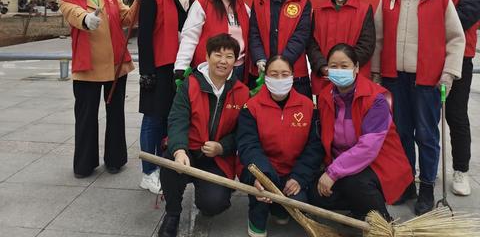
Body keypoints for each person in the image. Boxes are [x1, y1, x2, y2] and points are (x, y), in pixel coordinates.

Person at [371, 0, 465, 215]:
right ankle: (405, 183)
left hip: (427, 79)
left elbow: (456, 39)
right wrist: (376, 72)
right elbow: (378, 38)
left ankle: (426, 188)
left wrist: (449, 72)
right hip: (394, 78)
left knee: (426, 134)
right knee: (400, 133)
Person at [158, 34, 250, 237]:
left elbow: (243, 133)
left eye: (229, 56)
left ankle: (207, 195)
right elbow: (177, 120)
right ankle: (172, 214)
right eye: (218, 55)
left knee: (214, 204)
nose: (223, 61)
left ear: (236, 61)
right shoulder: (189, 85)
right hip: (189, 149)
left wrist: (222, 146)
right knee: (170, 165)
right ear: (207, 56)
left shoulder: (242, 92)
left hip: (216, 157)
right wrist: (179, 149)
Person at [311, 43, 412, 221]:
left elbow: (368, 148)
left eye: (344, 66)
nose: (339, 70)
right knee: (315, 193)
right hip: (342, 162)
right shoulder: (326, 96)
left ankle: (382, 220)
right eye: (333, 66)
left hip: (379, 162)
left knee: (354, 182)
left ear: (356, 67)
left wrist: (333, 173)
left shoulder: (376, 98)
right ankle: (360, 210)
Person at [59, 0, 140, 178]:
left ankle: (115, 160)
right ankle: (85, 164)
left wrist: (138, 1)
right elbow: (75, 16)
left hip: (116, 66)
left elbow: (127, 18)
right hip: (87, 69)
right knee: (86, 118)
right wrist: (86, 19)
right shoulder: (67, 0)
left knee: (116, 115)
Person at [237, 55, 323, 237]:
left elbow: (314, 147)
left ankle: (280, 209)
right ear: (265, 76)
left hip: (292, 172)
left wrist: (299, 177)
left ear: (293, 75)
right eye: (274, 74)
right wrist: (264, 177)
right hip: (261, 171)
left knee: (296, 201)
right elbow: (248, 145)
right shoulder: (251, 107)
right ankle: (256, 217)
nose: (279, 79)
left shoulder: (308, 106)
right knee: (263, 193)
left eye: (285, 74)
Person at [137, 0, 195, 194]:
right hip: (159, 67)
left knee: (172, 118)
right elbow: (145, 35)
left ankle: (166, 164)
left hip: (181, 67)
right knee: (153, 119)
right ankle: (149, 172)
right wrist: (146, 70)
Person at [427, 0, 480, 196]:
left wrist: (428, 16)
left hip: (459, 55)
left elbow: (466, 16)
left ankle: (460, 169)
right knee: (425, 114)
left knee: (455, 115)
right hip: (425, 52)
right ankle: (425, 168)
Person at [174, 0, 250, 82]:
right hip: (210, 69)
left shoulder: (242, 5)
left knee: (235, 102)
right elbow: (189, 37)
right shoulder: (202, 3)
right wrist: (181, 66)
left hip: (238, 69)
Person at [307, 0, 375, 96]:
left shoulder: (364, 9)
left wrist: (345, 68)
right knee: (324, 114)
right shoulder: (318, 10)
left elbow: (367, 44)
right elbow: (311, 43)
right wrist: (323, 67)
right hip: (324, 77)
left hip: (353, 76)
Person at [249, 0, 312, 98]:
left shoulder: (302, 1)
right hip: (262, 69)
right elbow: (254, 33)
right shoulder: (259, 0)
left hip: (294, 70)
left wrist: (282, 64)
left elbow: (302, 34)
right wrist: (259, 58)